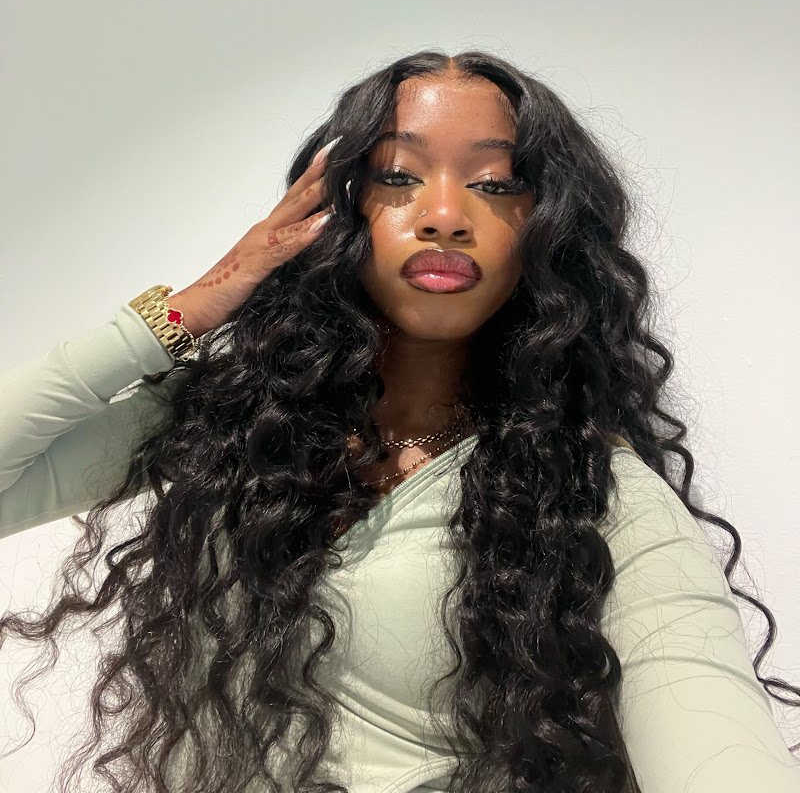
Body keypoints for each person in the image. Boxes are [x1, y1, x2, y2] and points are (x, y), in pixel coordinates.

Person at [1, 50, 799, 793]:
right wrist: (193, 304)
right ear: (336, 211)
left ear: (549, 232)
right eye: (397, 176)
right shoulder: (231, 422)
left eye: (495, 185)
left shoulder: (596, 500)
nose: (445, 214)